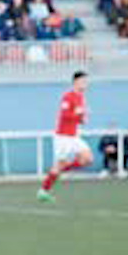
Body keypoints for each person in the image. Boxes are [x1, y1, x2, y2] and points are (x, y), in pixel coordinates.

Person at [37, 71, 94, 202]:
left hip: (74, 136)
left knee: (88, 159)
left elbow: (77, 117)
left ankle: (62, 168)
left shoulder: (81, 97)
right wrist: (80, 113)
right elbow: (65, 115)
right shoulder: (68, 96)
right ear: (76, 82)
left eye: (86, 82)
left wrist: (82, 119)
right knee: (59, 165)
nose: (86, 84)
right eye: (83, 81)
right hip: (63, 137)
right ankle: (43, 191)